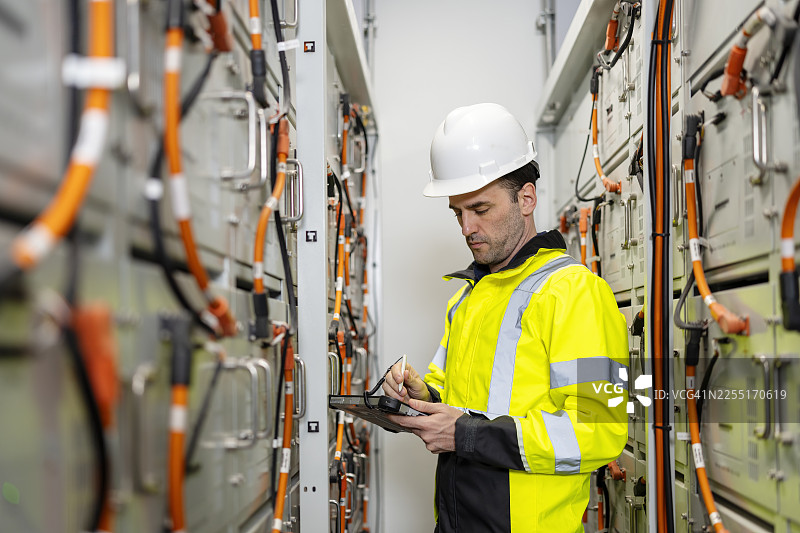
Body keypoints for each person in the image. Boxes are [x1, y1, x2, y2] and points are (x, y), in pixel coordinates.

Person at [382, 103, 629, 532]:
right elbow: (464, 399)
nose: (466, 228)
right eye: (458, 212)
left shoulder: (576, 292)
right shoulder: (468, 296)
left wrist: (465, 435)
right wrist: (424, 394)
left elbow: (599, 430)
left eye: (480, 209)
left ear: (527, 198)